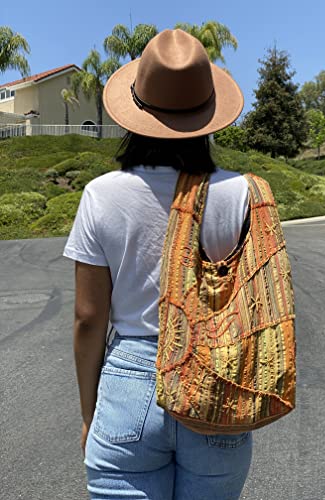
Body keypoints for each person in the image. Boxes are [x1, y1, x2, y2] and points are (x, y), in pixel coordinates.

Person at [63, 29, 253, 500]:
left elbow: (89, 318)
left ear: (135, 111)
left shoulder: (101, 195)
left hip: (130, 381)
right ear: (208, 116)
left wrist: (91, 415)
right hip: (214, 379)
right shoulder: (241, 193)